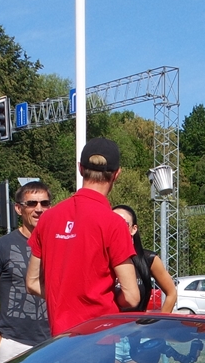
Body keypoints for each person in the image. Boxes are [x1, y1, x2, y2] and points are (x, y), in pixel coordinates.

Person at [26, 137, 140, 335]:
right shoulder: (113, 223)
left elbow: (32, 282)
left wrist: (65, 299)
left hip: (61, 339)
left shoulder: (48, 219)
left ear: (80, 168)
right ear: (116, 174)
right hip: (99, 337)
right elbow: (131, 297)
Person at [0, 181, 53, 363]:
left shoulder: (61, 244)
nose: (39, 209)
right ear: (18, 209)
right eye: (31, 203)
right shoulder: (1, 246)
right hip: (14, 345)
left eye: (44, 203)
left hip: (53, 343)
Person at [111, 204, 179, 363]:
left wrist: (158, 327)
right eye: (112, 223)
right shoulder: (102, 260)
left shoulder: (148, 259)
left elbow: (171, 292)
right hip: (110, 337)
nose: (116, 228)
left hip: (140, 336)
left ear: (134, 229)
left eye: (122, 224)